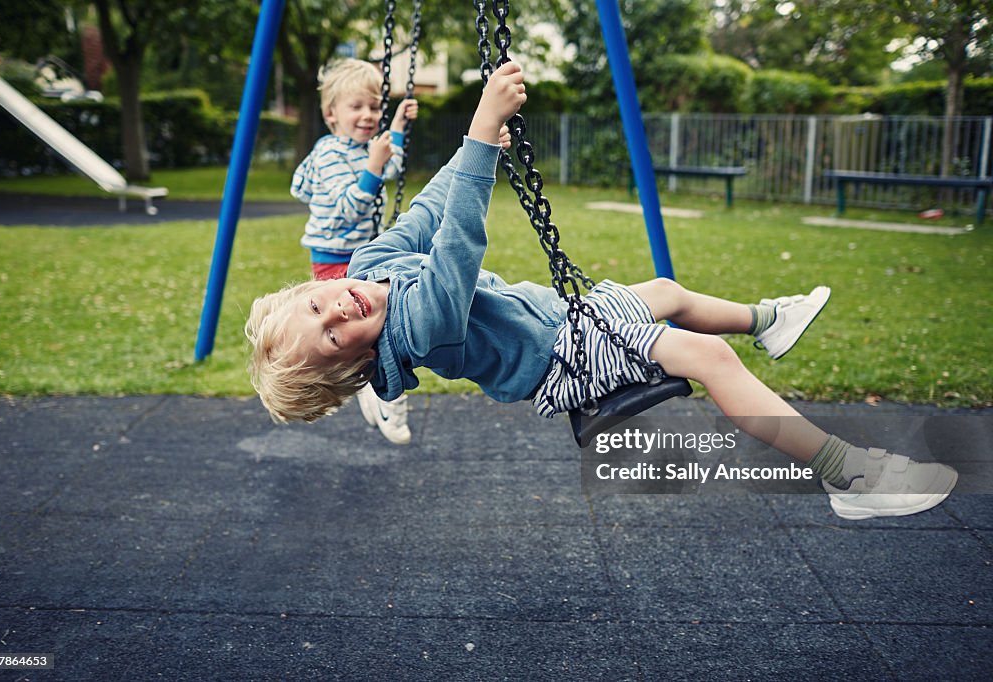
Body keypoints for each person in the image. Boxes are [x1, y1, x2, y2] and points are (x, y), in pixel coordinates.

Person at [249, 62, 957, 520]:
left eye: (317, 306)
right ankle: (846, 475)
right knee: (707, 358)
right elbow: (458, 246)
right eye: (334, 339)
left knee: (668, 291)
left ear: (314, 287)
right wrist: (482, 127)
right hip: (565, 356)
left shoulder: (367, 266)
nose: (337, 310)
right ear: (358, 366)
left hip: (564, 317)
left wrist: (479, 147)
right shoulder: (418, 330)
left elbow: (432, 212)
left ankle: (768, 319)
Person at [290, 58, 419, 444]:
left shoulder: (363, 148)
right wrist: (374, 166)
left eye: (375, 107)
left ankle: (375, 389)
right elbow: (350, 208)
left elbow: (389, 167)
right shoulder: (329, 154)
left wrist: (395, 127)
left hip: (361, 255)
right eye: (357, 107)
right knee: (361, 333)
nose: (368, 116)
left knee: (377, 326)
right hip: (334, 259)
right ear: (332, 114)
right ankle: (380, 393)